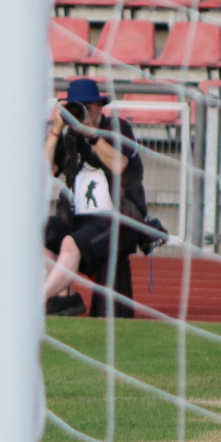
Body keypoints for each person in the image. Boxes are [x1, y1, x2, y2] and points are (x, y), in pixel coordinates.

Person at [42, 77, 145, 318]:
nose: (83, 112)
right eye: (76, 107)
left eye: (87, 105)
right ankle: (63, 297)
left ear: (99, 106)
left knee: (71, 243)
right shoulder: (70, 136)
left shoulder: (118, 128)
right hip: (79, 220)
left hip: (120, 220)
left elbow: (119, 164)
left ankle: (38, 299)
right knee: (36, 231)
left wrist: (91, 134)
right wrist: (56, 131)